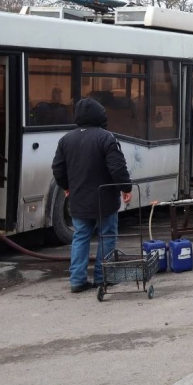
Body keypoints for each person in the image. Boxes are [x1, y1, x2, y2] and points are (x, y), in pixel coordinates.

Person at [51, 98, 133, 293]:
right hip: (105, 199)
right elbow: (117, 167)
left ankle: (77, 281)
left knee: (80, 237)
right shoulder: (106, 138)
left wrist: (66, 186)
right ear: (100, 116)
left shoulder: (66, 139)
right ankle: (103, 278)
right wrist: (126, 188)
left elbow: (58, 169)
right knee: (107, 237)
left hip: (79, 199)